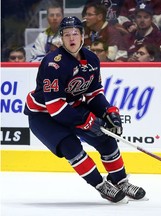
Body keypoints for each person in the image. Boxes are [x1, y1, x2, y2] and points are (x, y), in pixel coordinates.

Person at [24, 16, 146, 203]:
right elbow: (55, 106)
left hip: (70, 107)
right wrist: (85, 121)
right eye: (66, 35)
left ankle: (120, 181)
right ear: (61, 38)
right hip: (43, 115)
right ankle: (101, 185)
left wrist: (108, 111)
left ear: (82, 35)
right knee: (70, 146)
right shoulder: (53, 63)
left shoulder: (91, 59)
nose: (71, 38)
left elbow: (93, 94)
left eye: (75, 34)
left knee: (106, 137)